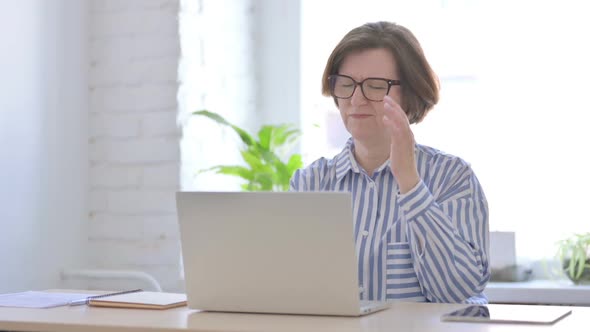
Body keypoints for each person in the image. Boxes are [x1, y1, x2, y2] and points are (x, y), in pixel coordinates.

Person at [290, 21, 490, 304]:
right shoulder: (310, 183)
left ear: (409, 96)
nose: (356, 99)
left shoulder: (452, 177)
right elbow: (294, 291)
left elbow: (457, 292)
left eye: (375, 86)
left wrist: (410, 183)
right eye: (346, 84)